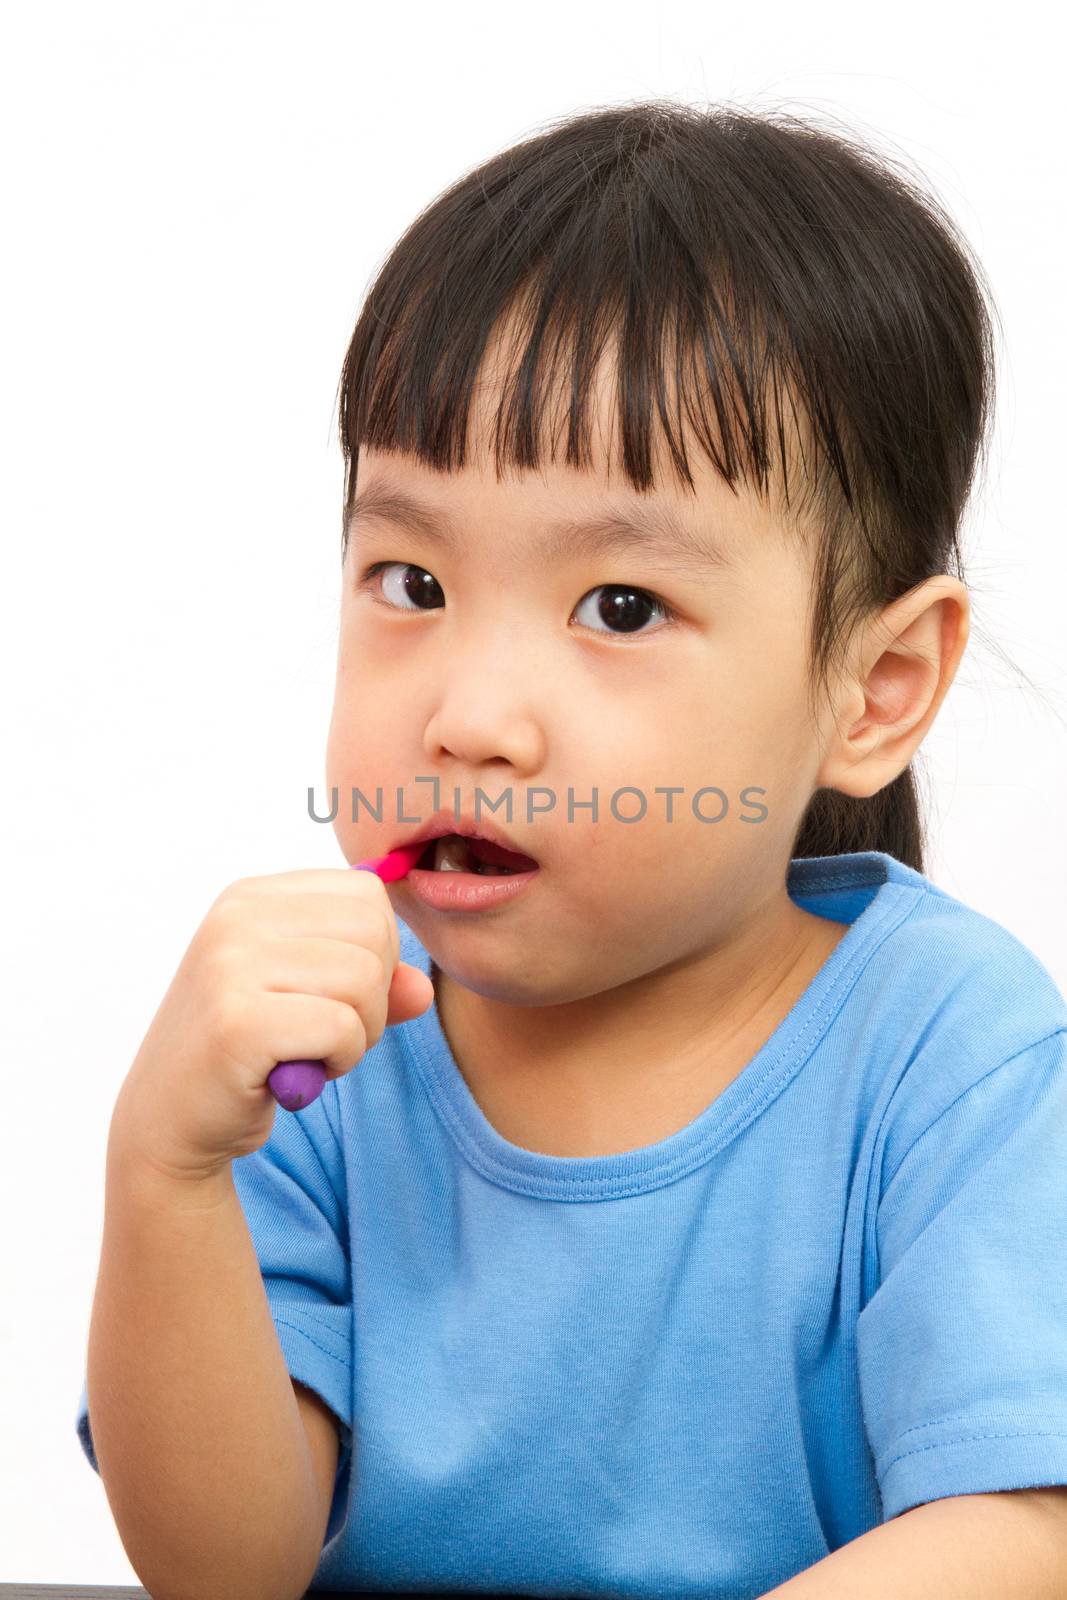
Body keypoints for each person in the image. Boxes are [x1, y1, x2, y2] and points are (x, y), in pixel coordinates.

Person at [75, 100, 1067, 1599]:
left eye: (619, 609)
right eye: (409, 580)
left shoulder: (954, 1059)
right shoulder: (319, 1053)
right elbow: (225, 1570)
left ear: (875, 690)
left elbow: (1027, 1530)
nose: (471, 718)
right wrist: (164, 1175)